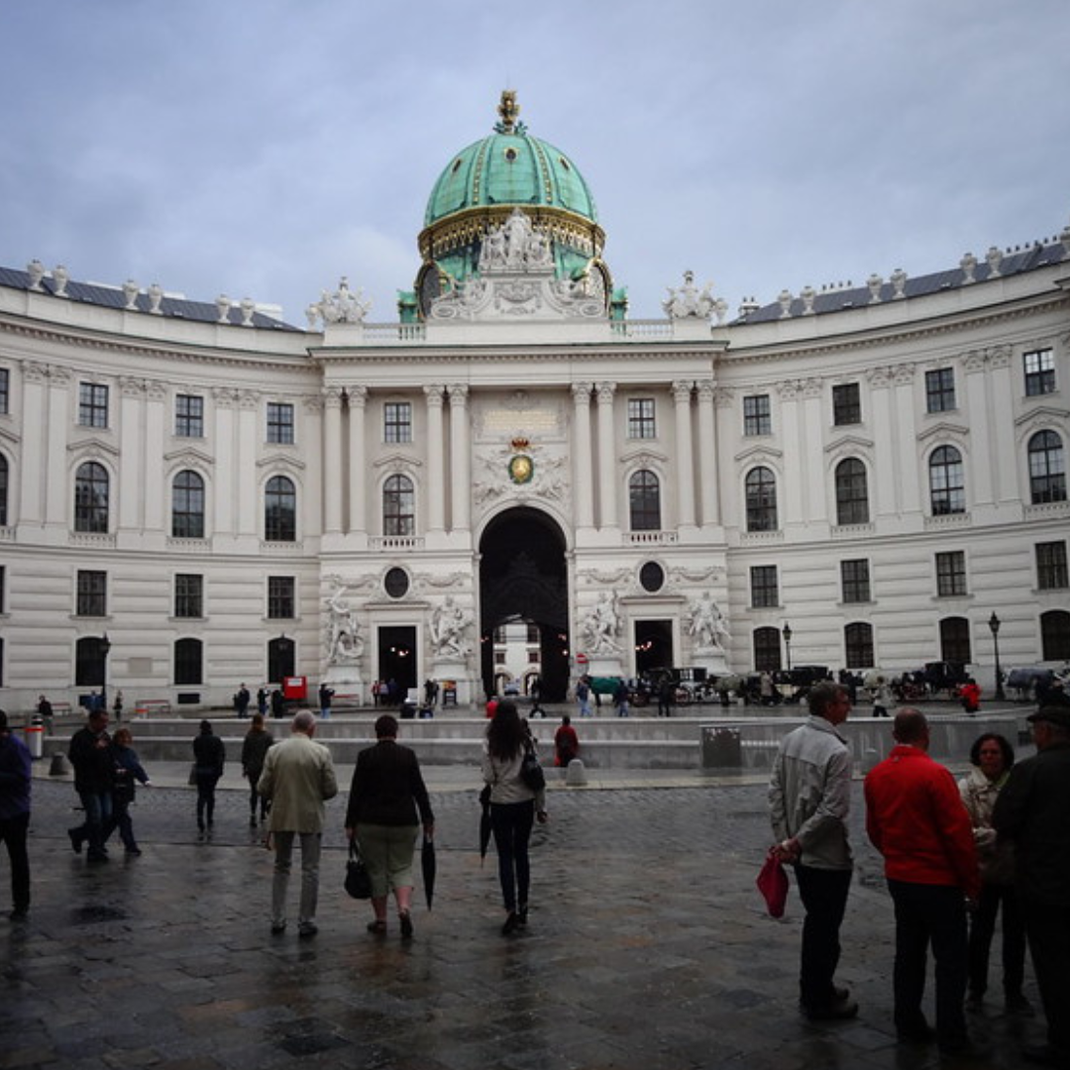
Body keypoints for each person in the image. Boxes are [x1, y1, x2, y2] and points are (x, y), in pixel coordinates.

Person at [864, 709, 982, 1057]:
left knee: (908, 954)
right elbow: (957, 836)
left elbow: (874, 831)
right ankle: (952, 1036)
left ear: (893, 735)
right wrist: (971, 883)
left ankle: (908, 1023)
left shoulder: (877, 775)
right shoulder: (935, 773)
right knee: (950, 961)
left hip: (900, 878)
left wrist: (897, 857)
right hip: (939, 882)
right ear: (926, 733)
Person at [768, 681, 856, 1021]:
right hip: (827, 857)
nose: (849, 706)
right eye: (845, 701)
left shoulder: (791, 739)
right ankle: (817, 997)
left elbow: (775, 792)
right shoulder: (837, 752)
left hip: (800, 853)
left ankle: (818, 985)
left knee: (816, 924)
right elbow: (832, 812)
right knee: (825, 929)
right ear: (829, 707)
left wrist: (786, 840)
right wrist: (796, 842)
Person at [993, 705, 1070, 1068]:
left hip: (1046, 886)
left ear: (1044, 732)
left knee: (1054, 966)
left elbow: (1004, 821)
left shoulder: (1031, 770)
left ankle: (1062, 1041)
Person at [957, 732, 1030, 1015]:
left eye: (995, 752)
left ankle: (1015, 991)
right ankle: (976, 989)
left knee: (1015, 936)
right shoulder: (965, 787)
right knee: (979, 935)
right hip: (983, 872)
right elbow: (962, 830)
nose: (989, 757)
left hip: (1014, 873)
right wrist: (1000, 836)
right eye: (985, 752)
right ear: (977, 756)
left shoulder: (1019, 784)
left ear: (1005, 756)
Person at [345, 714, 434, 939]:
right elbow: (419, 791)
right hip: (404, 821)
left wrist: (350, 823)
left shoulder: (365, 757)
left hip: (370, 822)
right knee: (402, 868)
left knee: (376, 871)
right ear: (396, 732)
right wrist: (428, 819)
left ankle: (381, 920)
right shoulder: (407, 755)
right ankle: (404, 908)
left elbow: (356, 792)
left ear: (376, 733)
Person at [258, 711, 338, 938]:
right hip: (310, 815)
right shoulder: (321, 752)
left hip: (282, 815)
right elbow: (331, 789)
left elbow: (262, 787)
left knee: (281, 866)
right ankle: (306, 921)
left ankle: (277, 918)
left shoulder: (275, 751)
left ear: (292, 727)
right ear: (312, 729)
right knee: (310, 869)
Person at [482, 700, 548, 935]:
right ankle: (524, 904)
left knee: (504, 857)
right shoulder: (526, 741)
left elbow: (489, 778)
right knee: (521, 853)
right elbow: (537, 774)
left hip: (500, 804)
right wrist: (541, 808)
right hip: (524, 803)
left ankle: (509, 909)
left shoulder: (491, 742)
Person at [67, 708, 114, 862]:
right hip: (88, 784)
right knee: (95, 817)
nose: (105, 725)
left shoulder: (106, 737)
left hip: (104, 784)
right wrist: (95, 749)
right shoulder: (80, 737)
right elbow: (76, 758)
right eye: (102, 721)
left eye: (107, 721)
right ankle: (95, 849)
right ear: (92, 721)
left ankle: (78, 834)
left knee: (107, 815)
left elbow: (110, 757)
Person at [0, 710, 32, 919]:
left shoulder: (16, 746)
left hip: (15, 811)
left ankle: (21, 904)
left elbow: (23, 778)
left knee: (18, 857)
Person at [104, 727, 150, 855]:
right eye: (122, 737)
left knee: (114, 820)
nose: (125, 740)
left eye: (127, 737)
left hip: (126, 790)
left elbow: (137, 768)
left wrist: (145, 780)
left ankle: (90, 839)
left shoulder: (130, 753)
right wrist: (116, 772)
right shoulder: (111, 752)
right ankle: (130, 845)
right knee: (124, 819)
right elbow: (106, 768)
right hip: (115, 789)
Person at [192, 719, 225, 834]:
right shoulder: (216, 740)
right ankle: (209, 817)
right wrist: (220, 770)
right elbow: (221, 756)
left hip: (201, 770)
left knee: (201, 795)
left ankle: (200, 815)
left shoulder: (197, 740)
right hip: (212, 771)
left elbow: (196, 754)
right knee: (210, 794)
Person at [241, 714, 274, 826]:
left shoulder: (249, 736)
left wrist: (245, 767)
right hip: (264, 768)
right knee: (264, 792)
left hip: (252, 768)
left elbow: (245, 754)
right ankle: (262, 813)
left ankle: (253, 813)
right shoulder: (267, 736)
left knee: (253, 791)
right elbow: (271, 754)